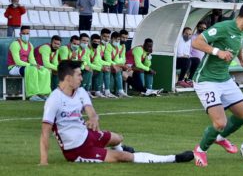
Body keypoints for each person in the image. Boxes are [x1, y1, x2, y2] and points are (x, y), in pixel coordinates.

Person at [40, 59, 194, 164]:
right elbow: (45, 133)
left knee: (118, 138)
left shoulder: (80, 91)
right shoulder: (54, 100)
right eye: (79, 75)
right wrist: (44, 161)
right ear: (68, 78)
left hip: (88, 135)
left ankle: (116, 148)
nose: (82, 78)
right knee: (124, 156)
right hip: (77, 149)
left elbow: (91, 111)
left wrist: (93, 117)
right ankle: (173, 158)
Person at [191, 1, 243, 167]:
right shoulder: (224, 27)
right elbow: (196, 42)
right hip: (206, 80)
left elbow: (237, 43)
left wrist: (241, 58)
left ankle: (220, 138)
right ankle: (201, 150)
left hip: (224, 78)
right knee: (220, 123)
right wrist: (218, 52)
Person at [7, 26, 51, 102]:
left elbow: (32, 59)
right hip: (14, 67)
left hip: (26, 67)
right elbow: (17, 61)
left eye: (27, 33)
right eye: (24, 33)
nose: (26, 35)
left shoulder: (30, 45)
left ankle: (43, 93)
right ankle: (32, 95)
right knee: (33, 69)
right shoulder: (15, 44)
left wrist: (37, 65)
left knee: (45, 70)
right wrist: (31, 65)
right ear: (20, 34)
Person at [104, 31, 130, 98]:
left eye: (118, 39)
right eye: (116, 39)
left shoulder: (117, 47)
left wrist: (120, 64)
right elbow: (108, 59)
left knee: (119, 69)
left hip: (112, 65)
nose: (117, 41)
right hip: (106, 64)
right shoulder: (108, 46)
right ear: (112, 39)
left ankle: (120, 91)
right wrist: (116, 65)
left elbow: (118, 59)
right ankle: (108, 91)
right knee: (115, 69)